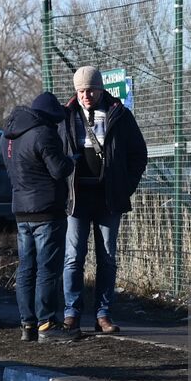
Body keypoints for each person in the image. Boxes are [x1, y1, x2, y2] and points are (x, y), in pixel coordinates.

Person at [61, 65, 147, 335]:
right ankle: (71, 312)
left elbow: (138, 155)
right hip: (76, 198)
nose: (86, 95)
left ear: (100, 89)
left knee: (107, 258)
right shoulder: (66, 116)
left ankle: (103, 314)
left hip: (109, 197)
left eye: (91, 90)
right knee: (73, 257)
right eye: (81, 91)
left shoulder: (119, 114)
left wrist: (125, 187)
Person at [4, 91, 78, 344]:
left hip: (21, 210)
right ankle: (47, 324)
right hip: (46, 211)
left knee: (26, 268)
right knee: (47, 269)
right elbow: (59, 170)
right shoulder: (43, 133)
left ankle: (28, 324)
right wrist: (70, 160)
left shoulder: (9, 136)